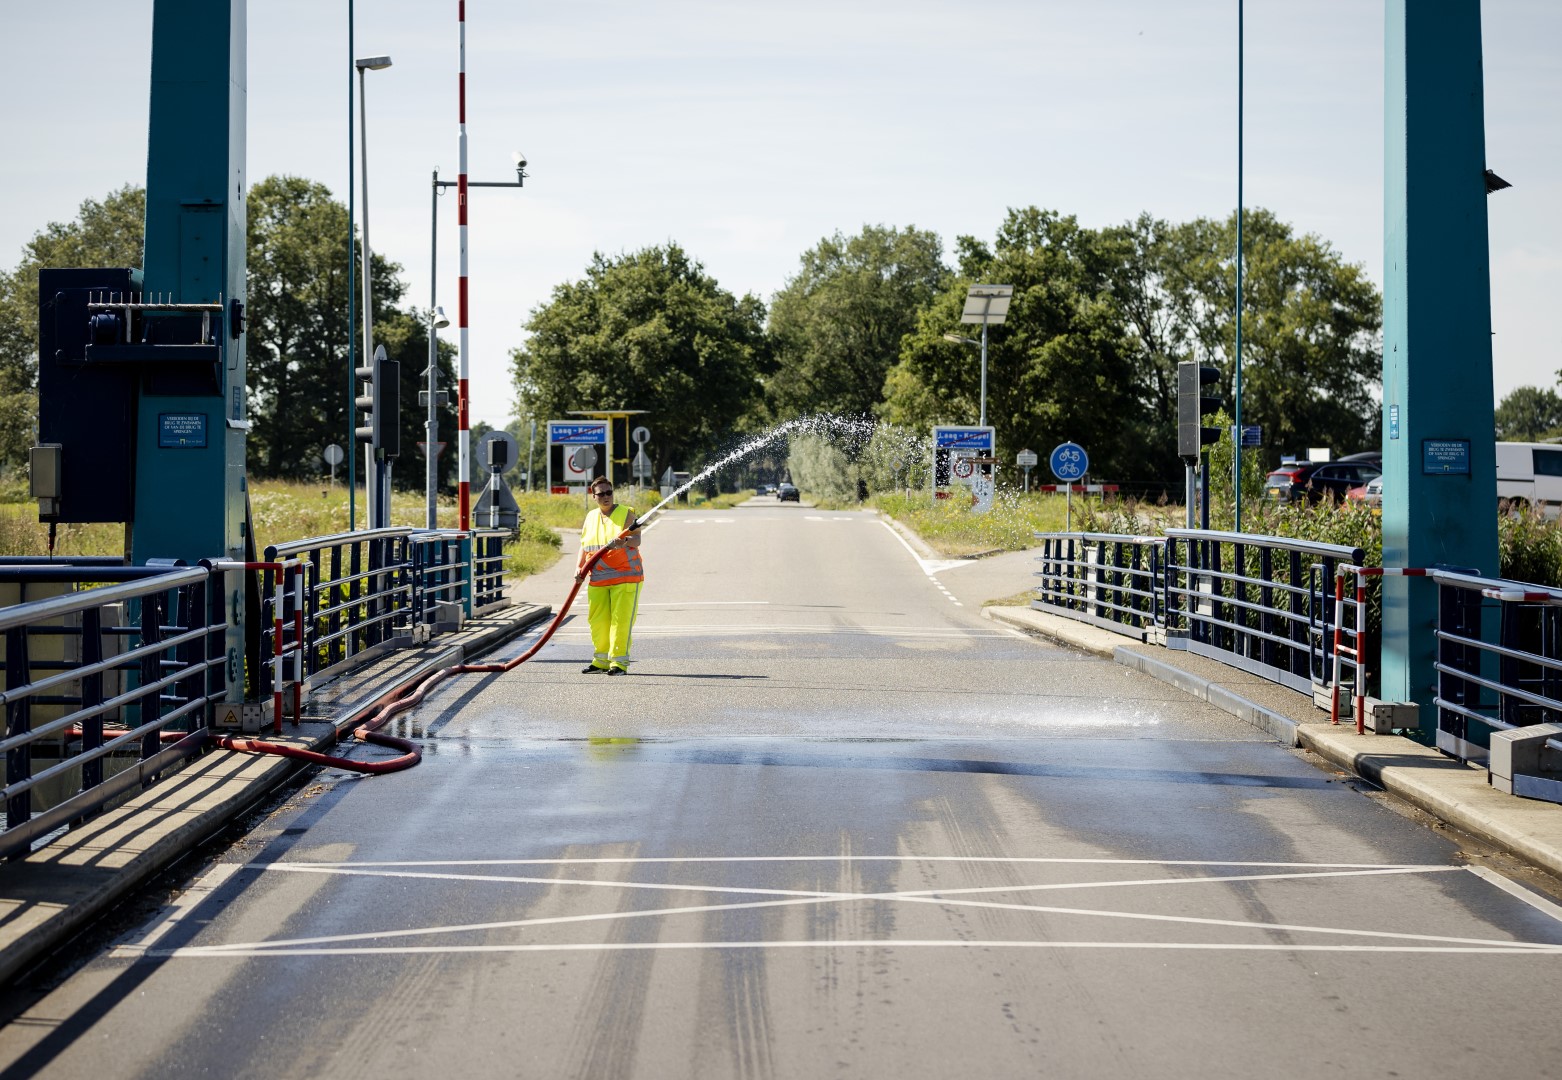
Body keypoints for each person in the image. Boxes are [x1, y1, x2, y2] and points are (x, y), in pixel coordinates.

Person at [574, 476, 644, 675]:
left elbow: (637, 540)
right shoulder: (591, 517)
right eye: (601, 494)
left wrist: (625, 541)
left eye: (609, 492)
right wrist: (579, 568)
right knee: (598, 621)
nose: (606, 497)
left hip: (626, 576)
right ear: (593, 496)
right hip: (598, 579)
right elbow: (584, 546)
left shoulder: (626, 514)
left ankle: (619, 663)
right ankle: (601, 660)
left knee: (620, 621)